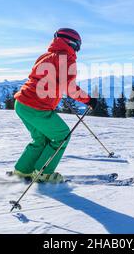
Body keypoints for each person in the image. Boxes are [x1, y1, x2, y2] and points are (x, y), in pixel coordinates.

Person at [13, 28, 97, 183]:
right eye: (78, 46)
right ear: (72, 43)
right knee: (62, 136)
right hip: (37, 107)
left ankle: (22, 171)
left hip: (21, 104)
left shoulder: (45, 56)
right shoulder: (67, 59)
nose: (77, 50)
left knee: (40, 139)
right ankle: (43, 174)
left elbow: (42, 79)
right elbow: (70, 88)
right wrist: (89, 100)